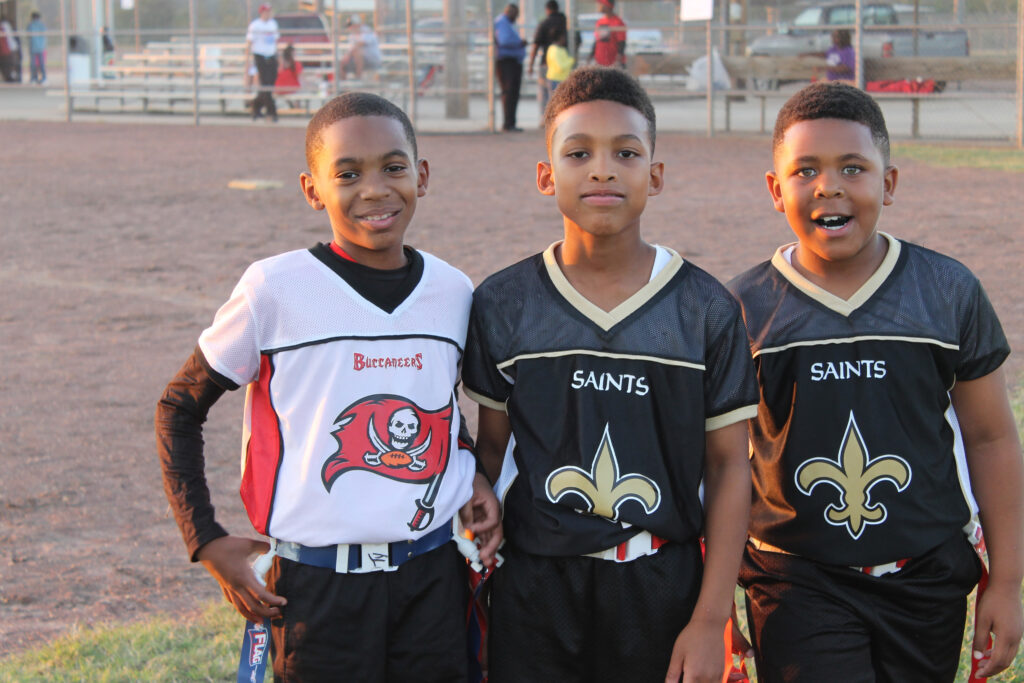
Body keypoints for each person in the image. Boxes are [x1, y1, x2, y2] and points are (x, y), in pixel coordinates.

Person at [155, 92, 502, 681]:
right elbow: (178, 408)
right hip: (316, 588)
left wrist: (470, 475)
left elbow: (439, 404)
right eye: (347, 173)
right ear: (312, 188)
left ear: (421, 175)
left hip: (433, 579)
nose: (374, 189)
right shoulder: (274, 289)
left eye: (393, 167)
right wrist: (205, 539)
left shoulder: (453, 290)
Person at [463, 66, 759, 683]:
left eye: (625, 153)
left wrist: (710, 619)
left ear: (654, 176)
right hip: (536, 586)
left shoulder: (704, 308)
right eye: (578, 153)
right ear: (547, 175)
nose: (602, 169)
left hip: (661, 582)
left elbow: (730, 465)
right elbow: (492, 449)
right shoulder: (504, 302)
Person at [728, 81, 1024, 682]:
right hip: (796, 577)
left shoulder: (947, 291)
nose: (829, 185)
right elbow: (719, 464)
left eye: (853, 168)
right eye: (805, 169)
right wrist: (711, 604)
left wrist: (1009, 583)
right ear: (774, 189)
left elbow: (990, 439)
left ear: (888, 184)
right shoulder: (743, 309)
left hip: (927, 575)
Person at [528, 0, 567, 120]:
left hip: (546, 63)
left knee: (544, 92)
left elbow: (535, 45)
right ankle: (561, 117)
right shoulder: (565, 23)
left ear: (547, 10)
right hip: (563, 65)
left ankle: (545, 119)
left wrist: (531, 65)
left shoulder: (544, 23)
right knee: (563, 93)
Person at [493, 3, 526, 132]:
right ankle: (508, 123)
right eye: (516, 15)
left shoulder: (506, 23)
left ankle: (511, 122)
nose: (516, 18)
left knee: (513, 93)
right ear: (510, 12)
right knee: (509, 92)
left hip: (512, 61)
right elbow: (504, 41)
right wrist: (519, 43)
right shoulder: (502, 22)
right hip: (507, 62)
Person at [245, 3, 279, 122]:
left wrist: (277, 56)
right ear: (261, 12)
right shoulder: (255, 25)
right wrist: (248, 60)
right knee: (265, 84)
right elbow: (249, 42)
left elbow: (275, 42)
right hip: (260, 56)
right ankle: (272, 111)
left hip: (271, 55)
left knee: (270, 84)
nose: (268, 13)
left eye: (269, 11)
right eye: (266, 11)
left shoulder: (273, 24)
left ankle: (255, 105)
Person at [339, 16, 382, 81]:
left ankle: (358, 79)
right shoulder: (352, 35)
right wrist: (346, 57)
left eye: (351, 25)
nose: (350, 27)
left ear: (357, 24)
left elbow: (359, 44)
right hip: (360, 61)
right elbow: (352, 49)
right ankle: (342, 84)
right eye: (349, 26)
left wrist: (348, 55)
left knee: (357, 53)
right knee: (341, 62)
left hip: (372, 60)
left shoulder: (367, 31)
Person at [588, 0, 626, 69]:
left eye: (601, 4)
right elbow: (597, 41)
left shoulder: (618, 22)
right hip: (600, 63)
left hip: (613, 64)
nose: (599, 6)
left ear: (608, 5)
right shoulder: (600, 22)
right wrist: (590, 57)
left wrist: (618, 61)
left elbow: (622, 43)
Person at [274, 42, 302, 106]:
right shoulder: (296, 64)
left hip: (278, 88)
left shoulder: (279, 64)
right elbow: (299, 77)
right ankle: (296, 108)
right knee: (300, 90)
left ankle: (291, 105)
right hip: (291, 89)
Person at [26, 12, 46, 85]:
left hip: (33, 47)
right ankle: (44, 78)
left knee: (33, 64)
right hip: (40, 47)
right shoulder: (42, 25)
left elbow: (28, 35)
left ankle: (34, 78)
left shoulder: (30, 25)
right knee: (41, 63)